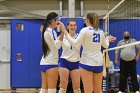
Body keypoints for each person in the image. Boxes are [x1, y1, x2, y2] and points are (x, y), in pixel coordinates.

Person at [59, 12, 116, 93]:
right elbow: (106, 45)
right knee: (98, 90)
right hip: (98, 63)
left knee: (88, 90)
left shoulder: (84, 30)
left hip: (87, 62)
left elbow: (75, 44)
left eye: (86, 19)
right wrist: (107, 39)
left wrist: (65, 31)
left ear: (88, 20)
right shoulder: (100, 31)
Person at [39, 12, 64, 93]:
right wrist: (63, 32)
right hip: (51, 63)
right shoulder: (51, 31)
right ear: (53, 21)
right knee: (51, 90)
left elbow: (53, 43)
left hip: (44, 62)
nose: (58, 23)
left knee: (44, 89)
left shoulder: (45, 30)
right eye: (57, 21)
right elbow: (58, 46)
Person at [59, 19, 81, 93]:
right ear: (67, 26)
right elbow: (57, 46)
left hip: (76, 62)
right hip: (64, 62)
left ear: (76, 27)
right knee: (63, 86)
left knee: (77, 88)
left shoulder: (79, 37)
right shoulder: (63, 36)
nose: (73, 27)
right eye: (71, 25)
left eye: (74, 25)